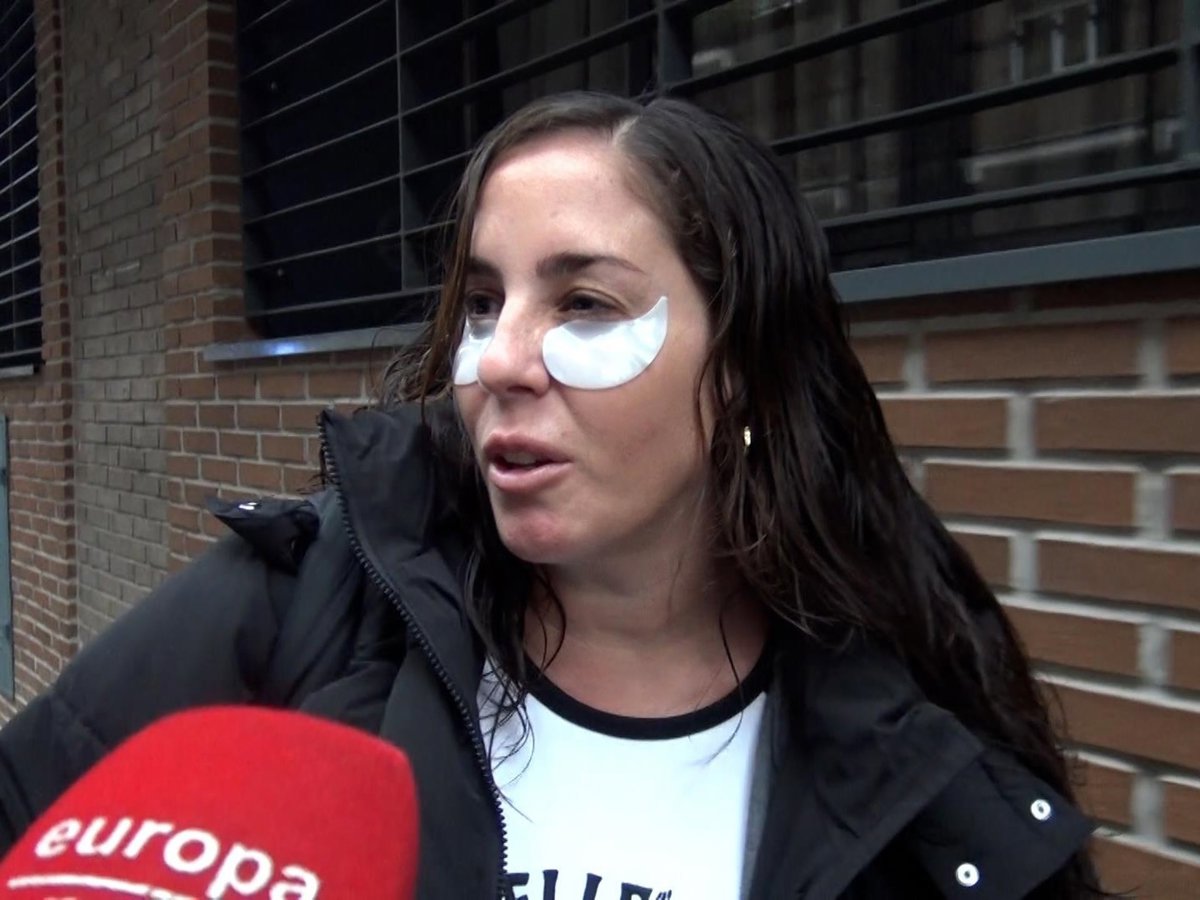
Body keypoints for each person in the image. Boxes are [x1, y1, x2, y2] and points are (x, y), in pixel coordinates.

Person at [0, 92, 1099, 898]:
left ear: (743, 368)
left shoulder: (915, 747)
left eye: (583, 304)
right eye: (484, 302)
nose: (497, 361)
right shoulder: (302, 606)